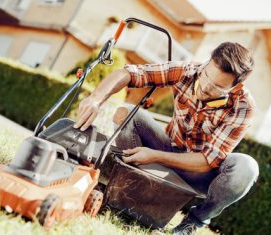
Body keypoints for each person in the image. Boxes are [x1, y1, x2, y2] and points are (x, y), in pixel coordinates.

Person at [74, 42, 259, 235]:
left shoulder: (243, 106)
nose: (204, 87)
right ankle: (128, 190)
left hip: (200, 173)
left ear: (235, 87)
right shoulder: (187, 70)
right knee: (126, 113)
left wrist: (154, 156)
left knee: (246, 167)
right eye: (206, 76)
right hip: (167, 148)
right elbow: (128, 72)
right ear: (207, 62)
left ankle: (194, 222)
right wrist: (96, 98)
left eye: (217, 87)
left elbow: (208, 160)